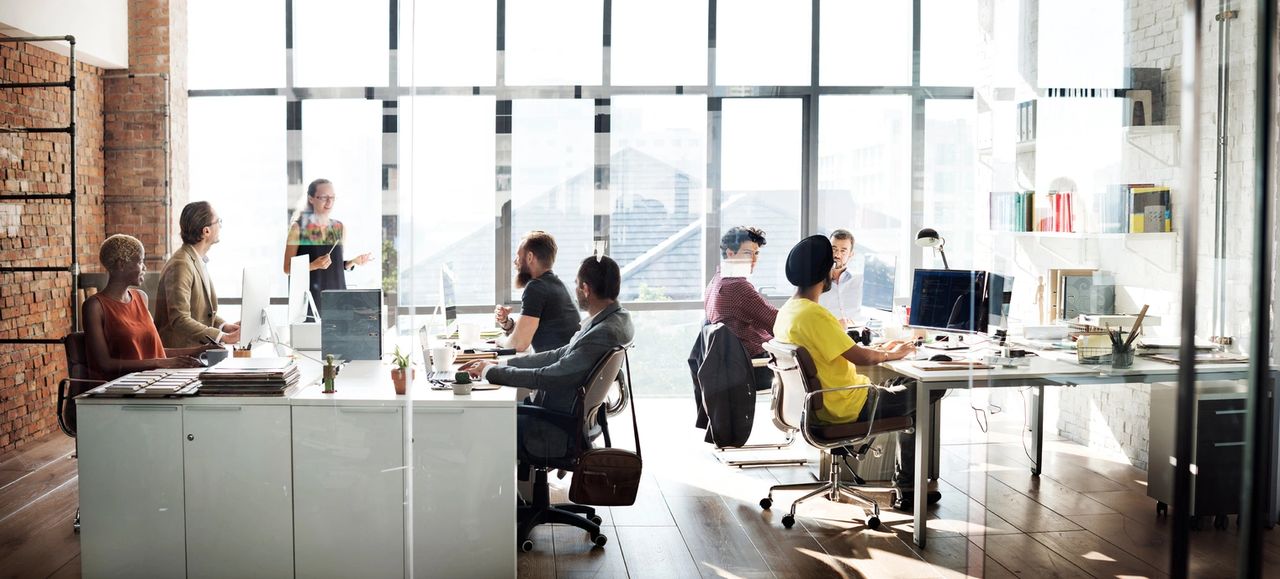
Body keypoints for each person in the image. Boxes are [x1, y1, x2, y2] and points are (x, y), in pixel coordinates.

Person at [774, 234, 940, 510]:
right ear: (825, 273)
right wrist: (892, 353)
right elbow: (860, 357)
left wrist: (884, 348)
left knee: (905, 383)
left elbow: (842, 348)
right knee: (928, 387)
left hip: (822, 405)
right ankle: (909, 490)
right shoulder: (814, 314)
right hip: (849, 405)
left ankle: (909, 486)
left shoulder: (789, 310)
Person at [463, 256, 634, 459]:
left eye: (577, 286)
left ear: (586, 289)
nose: (576, 290)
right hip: (570, 419)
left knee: (479, 418)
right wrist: (501, 363)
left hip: (554, 428)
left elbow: (547, 377)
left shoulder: (602, 333)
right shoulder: (617, 319)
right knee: (497, 410)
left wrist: (489, 372)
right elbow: (559, 354)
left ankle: (490, 489)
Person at [84, 235, 217, 380]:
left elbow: (155, 352)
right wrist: (161, 364)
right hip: (118, 388)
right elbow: (105, 364)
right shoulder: (95, 306)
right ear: (121, 265)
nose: (144, 267)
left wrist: (197, 351)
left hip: (150, 381)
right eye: (140, 261)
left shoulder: (141, 297)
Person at [155, 201, 241, 348]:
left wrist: (224, 327)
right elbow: (180, 319)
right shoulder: (181, 264)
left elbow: (200, 312)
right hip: (181, 355)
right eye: (218, 222)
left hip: (196, 352)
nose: (220, 226)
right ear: (206, 231)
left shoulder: (195, 260)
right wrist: (223, 338)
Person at [283, 178, 373, 314]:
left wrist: (352, 262)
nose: (329, 201)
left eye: (332, 197)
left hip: (338, 302)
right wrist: (313, 265)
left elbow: (335, 266)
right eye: (324, 197)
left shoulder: (339, 227)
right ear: (311, 198)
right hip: (309, 304)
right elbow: (287, 268)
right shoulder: (298, 228)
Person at [704, 226, 776, 389]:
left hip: (732, 366)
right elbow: (777, 322)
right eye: (747, 253)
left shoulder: (716, 280)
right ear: (730, 253)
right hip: (753, 368)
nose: (754, 260)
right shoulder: (737, 286)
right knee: (811, 361)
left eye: (756, 253)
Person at [493, 230, 580, 353]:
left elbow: (519, 344)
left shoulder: (536, 287)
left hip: (555, 367)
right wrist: (506, 322)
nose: (515, 262)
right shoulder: (558, 285)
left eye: (518, 257)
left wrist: (500, 341)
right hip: (564, 362)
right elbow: (528, 330)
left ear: (529, 257)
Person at [817, 229, 864, 327]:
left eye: (843, 251)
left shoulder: (860, 281)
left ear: (851, 254)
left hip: (855, 333)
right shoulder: (815, 281)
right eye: (834, 249)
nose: (837, 255)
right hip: (826, 333)